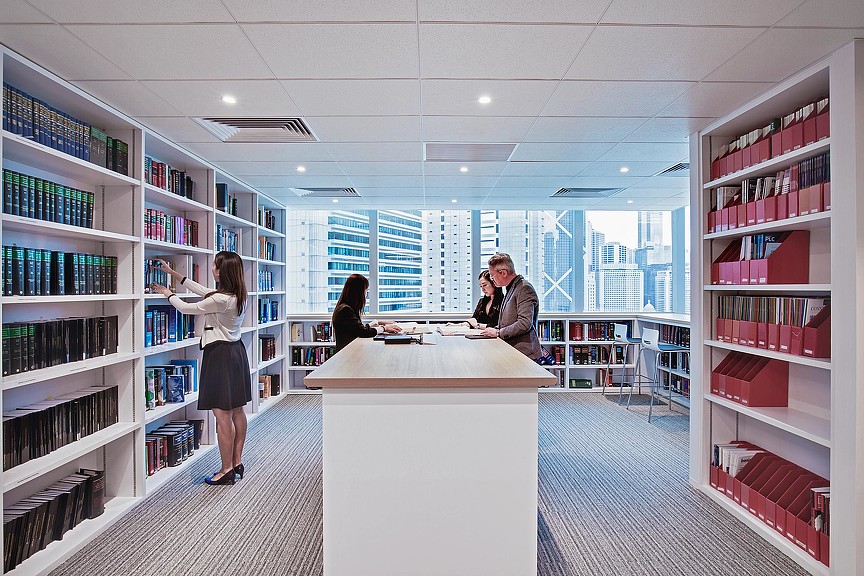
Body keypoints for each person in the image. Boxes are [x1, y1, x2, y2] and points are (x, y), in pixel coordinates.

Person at [150, 252, 251, 486]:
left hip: (220, 356)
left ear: (222, 271)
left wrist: (168, 293)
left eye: (215, 266)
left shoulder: (221, 300)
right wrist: (174, 274)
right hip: (236, 353)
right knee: (237, 409)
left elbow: (186, 308)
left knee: (221, 413)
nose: (213, 269)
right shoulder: (236, 295)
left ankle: (226, 469)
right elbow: (204, 291)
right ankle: (236, 461)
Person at [481, 253, 542, 360]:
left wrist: (499, 332)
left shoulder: (524, 289)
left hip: (524, 354)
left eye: (492, 275)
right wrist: (494, 329)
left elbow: (524, 323)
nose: (492, 279)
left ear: (503, 273)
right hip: (513, 351)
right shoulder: (511, 288)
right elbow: (508, 321)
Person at [332, 274, 401, 353]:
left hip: (350, 351)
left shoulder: (345, 307)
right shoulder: (345, 310)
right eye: (366, 290)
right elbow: (362, 332)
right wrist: (384, 328)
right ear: (358, 291)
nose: (366, 293)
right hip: (348, 353)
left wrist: (377, 322)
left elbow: (358, 328)